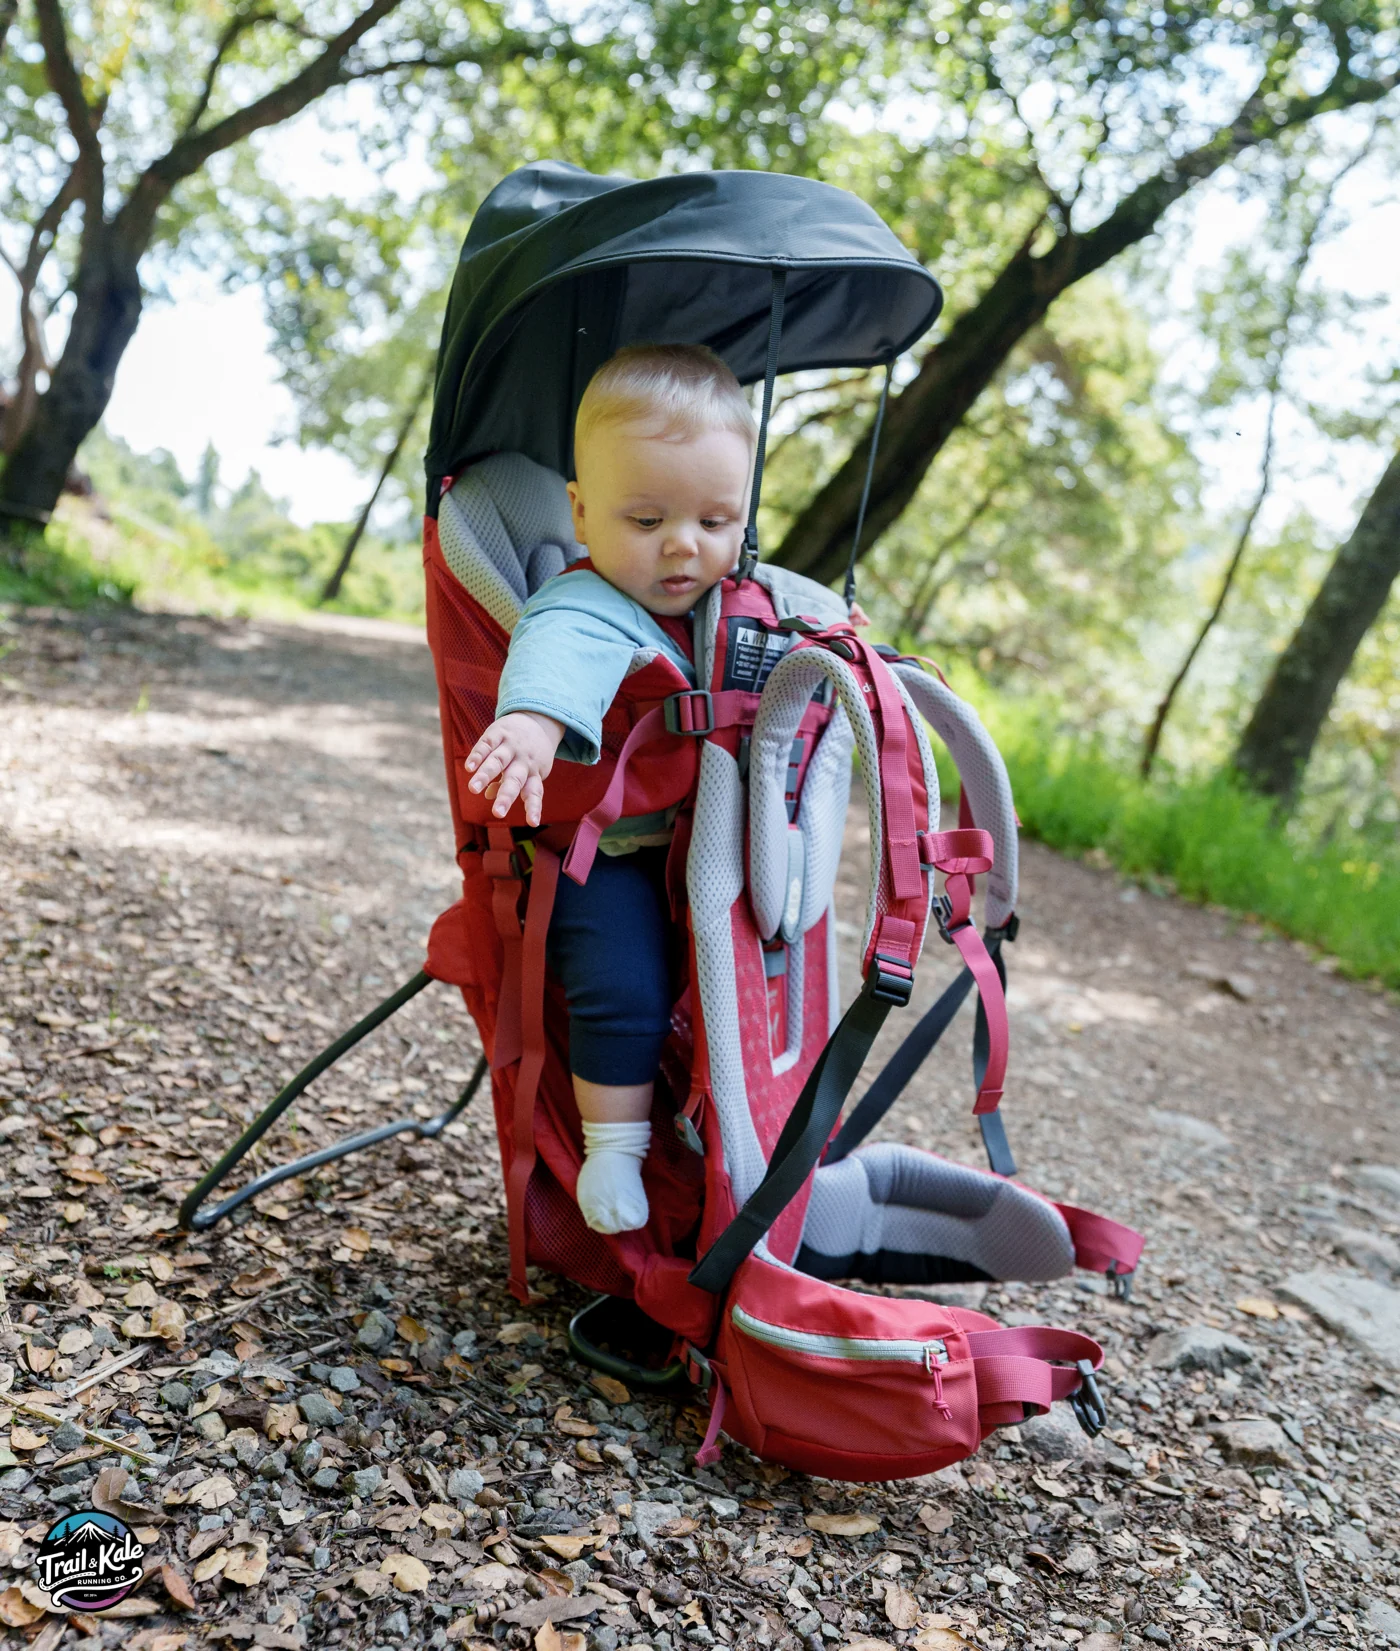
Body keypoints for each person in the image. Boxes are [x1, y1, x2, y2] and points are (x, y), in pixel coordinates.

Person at [463, 344, 755, 1234]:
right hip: (609, 856)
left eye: (715, 518)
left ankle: (736, 1127)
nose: (683, 544)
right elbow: (559, 652)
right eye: (645, 517)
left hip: (707, 848)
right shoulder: (586, 600)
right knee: (621, 984)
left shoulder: (726, 595)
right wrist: (536, 721)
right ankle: (615, 1147)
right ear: (583, 515)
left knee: (734, 984)